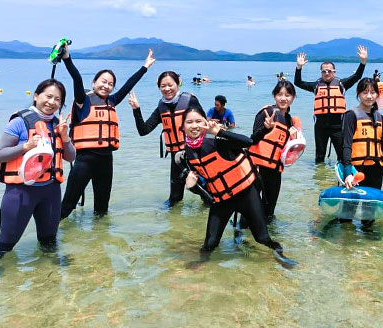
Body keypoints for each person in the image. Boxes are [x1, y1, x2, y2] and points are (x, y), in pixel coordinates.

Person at [174, 107, 295, 266]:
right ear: (182, 126)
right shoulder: (187, 155)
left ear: (206, 122)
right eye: (189, 122)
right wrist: (192, 186)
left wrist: (221, 133)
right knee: (209, 244)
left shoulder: (217, 140)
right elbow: (204, 190)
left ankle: (280, 254)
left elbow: (248, 142)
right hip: (222, 200)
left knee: (262, 238)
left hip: (246, 194)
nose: (194, 126)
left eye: (198, 121)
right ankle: (200, 267)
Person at [59, 45, 155, 219]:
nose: (106, 85)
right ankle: (49, 241)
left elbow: (128, 85)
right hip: (84, 161)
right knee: (67, 206)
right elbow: (76, 78)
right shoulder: (84, 100)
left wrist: (145, 66)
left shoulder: (112, 101)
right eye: (103, 81)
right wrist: (67, 58)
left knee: (102, 209)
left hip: (106, 161)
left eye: (110, 84)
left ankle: (99, 243)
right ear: (94, 83)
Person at [0, 79, 76, 263]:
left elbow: (70, 157)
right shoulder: (19, 122)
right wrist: (25, 146)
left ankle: (49, 274)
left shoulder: (58, 125)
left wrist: (65, 137)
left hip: (50, 191)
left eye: (57, 99)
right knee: (6, 243)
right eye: (48, 96)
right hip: (21, 192)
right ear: (36, 96)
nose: (52, 102)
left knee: (49, 240)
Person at [128, 71, 204, 207]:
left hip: (195, 153)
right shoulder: (161, 107)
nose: (167, 89)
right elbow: (143, 130)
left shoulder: (190, 100)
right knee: (174, 199)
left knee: (206, 194)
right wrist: (136, 110)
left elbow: (203, 125)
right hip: (176, 157)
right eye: (163, 86)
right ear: (159, 88)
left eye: (170, 85)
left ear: (177, 84)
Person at [340, 78, 383, 225]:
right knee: (348, 215)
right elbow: (346, 145)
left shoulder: (380, 117)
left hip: (376, 170)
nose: (369, 96)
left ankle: (367, 245)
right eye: (365, 92)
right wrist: (348, 173)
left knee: (369, 215)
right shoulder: (351, 115)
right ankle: (345, 244)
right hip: (356, 170)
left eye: (373, 92)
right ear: (358, 94)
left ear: (377, 95)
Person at [294, 46, 368, 163]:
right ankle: (321, 178)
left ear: (334, 71)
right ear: (321, 72)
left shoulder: (342, 84)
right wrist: (299, 67)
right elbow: (298, 82)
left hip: (338, 126)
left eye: (329, 71)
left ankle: (342, 178)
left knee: (342, 156)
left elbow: (357, 76)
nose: (327, 73)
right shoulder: (316, 85)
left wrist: (363, 62)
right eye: (324, 71)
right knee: (319, 157)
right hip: (320, 126)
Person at [247, 80, 299, 221]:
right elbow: (253, 139)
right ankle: (242, 239)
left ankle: (266, 237)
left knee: (269, 210)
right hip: (257, 167)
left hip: (275, 170)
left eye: (288, 95)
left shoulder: (289, 121)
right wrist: (266, 128)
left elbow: (289, 153)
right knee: (251, 208)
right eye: (280, 94)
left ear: (293, 98)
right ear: (274, 96)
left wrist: (294, 140)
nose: (283, 98)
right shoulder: (267, 112)